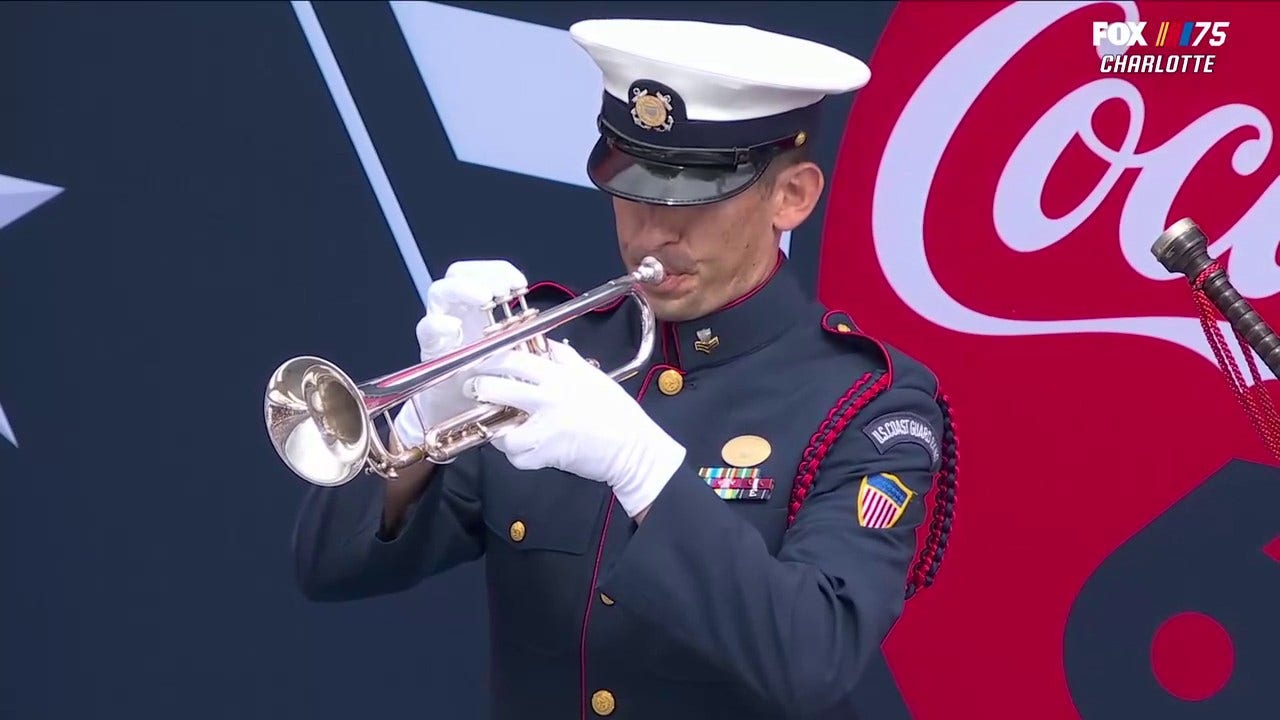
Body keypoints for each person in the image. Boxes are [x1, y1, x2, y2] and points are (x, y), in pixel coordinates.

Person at [292, 17, 957, 720]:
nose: (653, 232)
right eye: (633, 190)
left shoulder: (869, 403)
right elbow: (329, 567)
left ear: (791, 197)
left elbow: (814, 656)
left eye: (697, 198)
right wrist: (423, 417)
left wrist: (647, 472)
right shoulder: (558, 358)